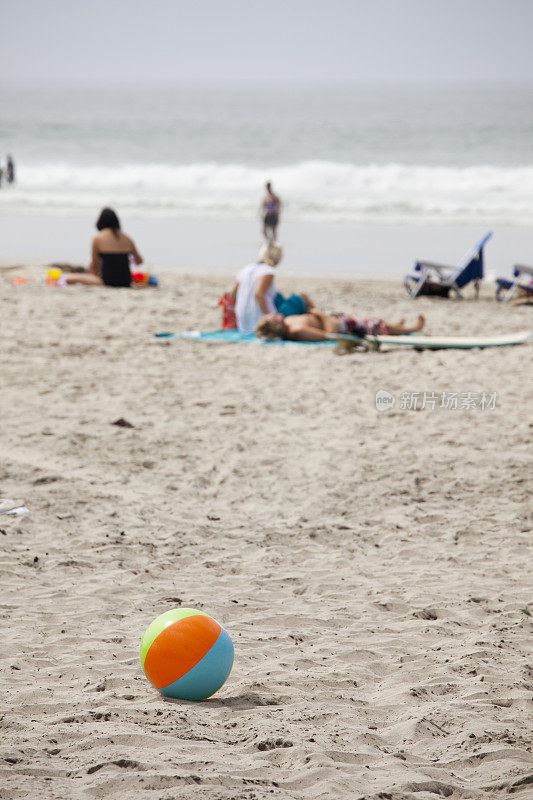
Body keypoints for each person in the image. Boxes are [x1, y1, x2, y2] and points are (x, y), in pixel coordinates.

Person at [228, 241, 312, 334]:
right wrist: (268, 316)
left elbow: (232, 295)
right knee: (300, 298)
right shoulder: (268, 271)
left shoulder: (246, 269)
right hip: (260, 322)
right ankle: (315, 320)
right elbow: (259, 294)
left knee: (278, 296)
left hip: (243, 323)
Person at [57, 207, 143, 287]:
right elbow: (139, 261)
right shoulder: (127, 238)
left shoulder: (98, 238)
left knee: (68, 278)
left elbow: (94, 267)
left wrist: (91, 276)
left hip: (107, 281)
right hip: (126, 281)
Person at [255, 309, 426, 342]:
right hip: (341, 326)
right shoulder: (297, 330)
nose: (272, 314)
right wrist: (320, 315)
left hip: (334, 320)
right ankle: (411, 329)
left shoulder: (289, 321)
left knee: (374, 323)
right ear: (275, 325)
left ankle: (396, 327)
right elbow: (330, 334)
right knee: (374, 325)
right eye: (271, 318)